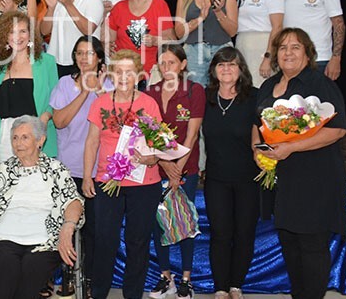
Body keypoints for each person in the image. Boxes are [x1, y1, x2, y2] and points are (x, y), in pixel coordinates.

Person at [254, 28, 346, 299]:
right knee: (290, 244)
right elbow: (256, 124)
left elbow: (338, 129)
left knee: (311, 246)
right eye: (283, 47)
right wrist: (257, 153)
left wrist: (291, 146)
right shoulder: (268, 86)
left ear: (308, 53)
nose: (288, 53)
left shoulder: (320, 84)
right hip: (284, 180)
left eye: (295, 47)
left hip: (315, 178)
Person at [0, 116, 84, 299]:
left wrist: (68, 227)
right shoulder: (4, 170)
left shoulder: (56, 169)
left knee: (32, 266)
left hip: (44, 242)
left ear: (40, 140)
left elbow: (73, 201)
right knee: (6, 264)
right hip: (3, 237)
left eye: (25, 137)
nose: (18, 143)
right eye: (15, 138)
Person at [82, 49, 163, 299]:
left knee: (138, 242)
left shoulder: (149, 103)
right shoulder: (101, 102)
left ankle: (133, 294)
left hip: (144, 182)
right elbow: (92, 141)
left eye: (129, 71)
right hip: (108, 181)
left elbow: (160, 143)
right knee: (105, 239)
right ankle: (98, 292)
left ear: (138, 73)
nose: (124, 76)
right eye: (119, 71)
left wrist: (153, 158)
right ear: (111, 74)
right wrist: (87, 176)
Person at [49, 35, 112, 290]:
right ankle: (66, 279)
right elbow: (60, 121)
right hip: (68, 168)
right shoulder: (65, 83)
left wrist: (97, 89)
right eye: (79, 53)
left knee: (94, 232)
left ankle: (89, 281)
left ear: (99, 58)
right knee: (67, 227)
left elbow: (114, 124)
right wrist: (84, 91)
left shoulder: (110, 85)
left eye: (89, 53)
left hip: (101, 171)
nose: (84, 58)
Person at [146, 44, 205, 299]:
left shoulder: (194, 91)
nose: (166, 67)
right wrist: (164, 164)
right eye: (163, 63)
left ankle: (186, 280)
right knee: (159, 223)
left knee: (184, 223)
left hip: (186, 168)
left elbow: (192, 135)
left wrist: (178, 170)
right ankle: (165, 277)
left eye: (172, 62)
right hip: (157, 168)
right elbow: (148, 134)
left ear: (182, 64)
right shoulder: (150, 92)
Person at [201, 47, 258, 299]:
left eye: (232, 65)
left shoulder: (254, 97)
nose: (226, 69)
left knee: (244, 233)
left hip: (249, 178)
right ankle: (221, 287)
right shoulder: (204, 97)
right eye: (221, 65)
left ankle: (236, 285)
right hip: (216, 179)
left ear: (241, 69)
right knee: (220, 234)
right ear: (214, 69)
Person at [0, 11, 58, 162]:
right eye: (12, 32)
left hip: (36, 136)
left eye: (22, 31)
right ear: (5, 36)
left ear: (30, 34)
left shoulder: (47, 62)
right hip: (5, 139)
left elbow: (56, 98)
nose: (18, 37)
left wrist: (44, 119)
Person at [106, 0, 175, 87]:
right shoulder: (119, 8)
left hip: (150, 74)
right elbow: (108, 40)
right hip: (123, 74)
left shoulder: (159, 5)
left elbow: (171, 42)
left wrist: (154, 40)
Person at [174, 0, 239, 87]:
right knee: (195, 91)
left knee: (225, 89)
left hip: (221, 49)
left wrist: (218, 11)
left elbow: (232, 32)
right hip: (193, 52)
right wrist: (199, 19)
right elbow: (179, 33)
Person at [40, 0, 104, 78]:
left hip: (82, 63)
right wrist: (52, 7)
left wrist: (68, 4)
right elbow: (44, 31)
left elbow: (88, 30)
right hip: (56, 62)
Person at [236, 0, 284, 87]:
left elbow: (277, 26)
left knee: (261, 89)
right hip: (242, 46)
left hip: (261, 47)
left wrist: (268, 57)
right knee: (245, 89)